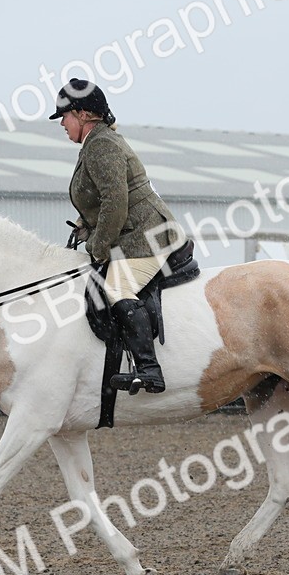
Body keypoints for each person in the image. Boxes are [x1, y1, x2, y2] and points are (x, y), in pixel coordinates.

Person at [51, 78, 187, 394]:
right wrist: (86, 226)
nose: (61, 122)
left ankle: (149, 370)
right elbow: (103, 201)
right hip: (133, 234)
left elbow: (115, 201)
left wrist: (97, 245)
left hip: (146, 236)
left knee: (117, 288)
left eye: (64, 115)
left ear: (83, 114)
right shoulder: (96, 142)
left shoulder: (102, 145)